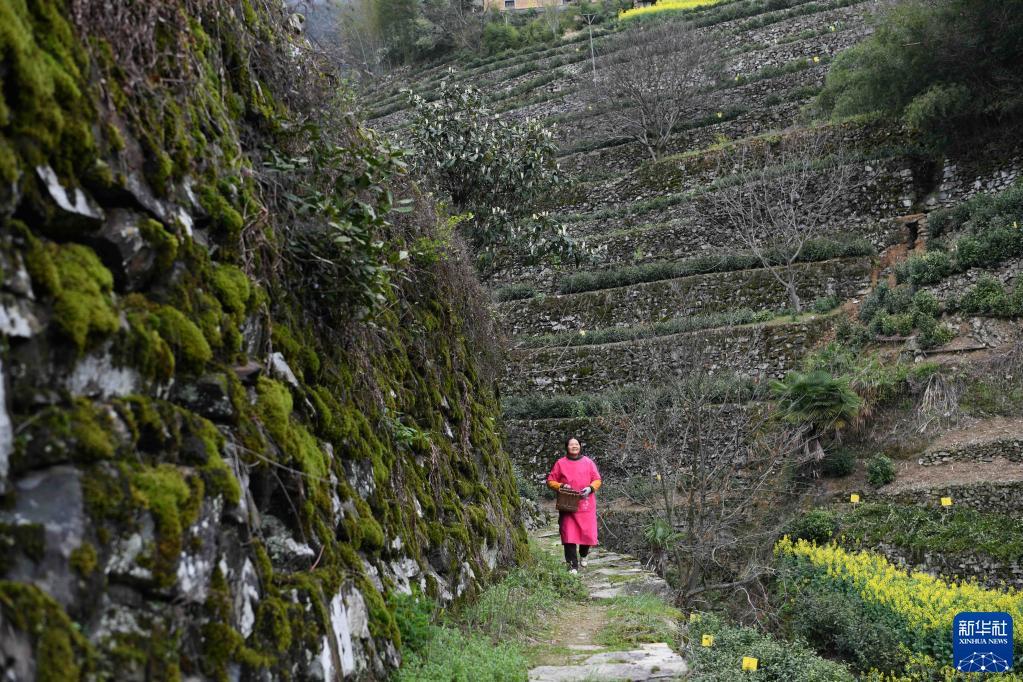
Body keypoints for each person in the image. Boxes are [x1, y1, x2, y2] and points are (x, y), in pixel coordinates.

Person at [546, 437, 602, 573]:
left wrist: (590, 488)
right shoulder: (560, 463)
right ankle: (572, 566)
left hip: (586, 505)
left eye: (576, 444)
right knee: (568, 535)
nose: (574, 446)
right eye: (571, 444)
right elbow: (550, 481)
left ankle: (583, 554)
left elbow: (597, 479)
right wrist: (561, 486)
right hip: (568, 505)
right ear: (567, 447)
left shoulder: (588, 462)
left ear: (580, 446)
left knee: (587, 534)